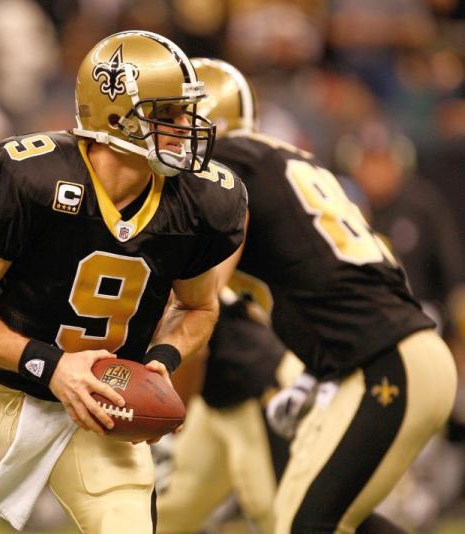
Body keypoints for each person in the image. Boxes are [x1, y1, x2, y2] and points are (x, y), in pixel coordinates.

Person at [0, 30, 247, 534]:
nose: (188, 127)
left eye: (186, 113)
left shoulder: (204, 203)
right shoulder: (29, 178)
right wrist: (54, 366)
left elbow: (199, 308)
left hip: (102, 409)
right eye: (169, 114)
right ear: (115, 116)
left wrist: (158, 364)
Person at [187, 58, 457, 533]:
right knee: (320, 517)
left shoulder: (232, 161)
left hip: (383, 361)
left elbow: (209, 279)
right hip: (385, 356)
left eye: (173, 119)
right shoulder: (283, 161)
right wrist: (315, 372)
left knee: (308, 524)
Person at [156, 286, 301, 533]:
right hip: (213, 396)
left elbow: (190, 351)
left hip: (255, 387)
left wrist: (167, 417)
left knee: (271, 507)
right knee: (176, 505)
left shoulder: (166, 264)